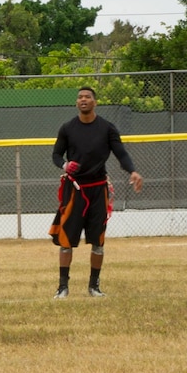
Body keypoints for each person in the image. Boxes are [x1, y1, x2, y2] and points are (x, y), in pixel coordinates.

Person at [49, 86, 143, 299]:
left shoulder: (107, 128)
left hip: (98, 190)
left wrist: (133, 171)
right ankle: (63, 287)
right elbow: (56, 155)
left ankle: (94, 286)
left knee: (98, 241)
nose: (83, 100)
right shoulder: (67, 128)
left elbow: (121, 154)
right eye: (80, 97)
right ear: (77, 102)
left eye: (87, 97)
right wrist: (65, 165)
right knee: (66, 241)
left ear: (95, 102)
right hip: (74, 190)